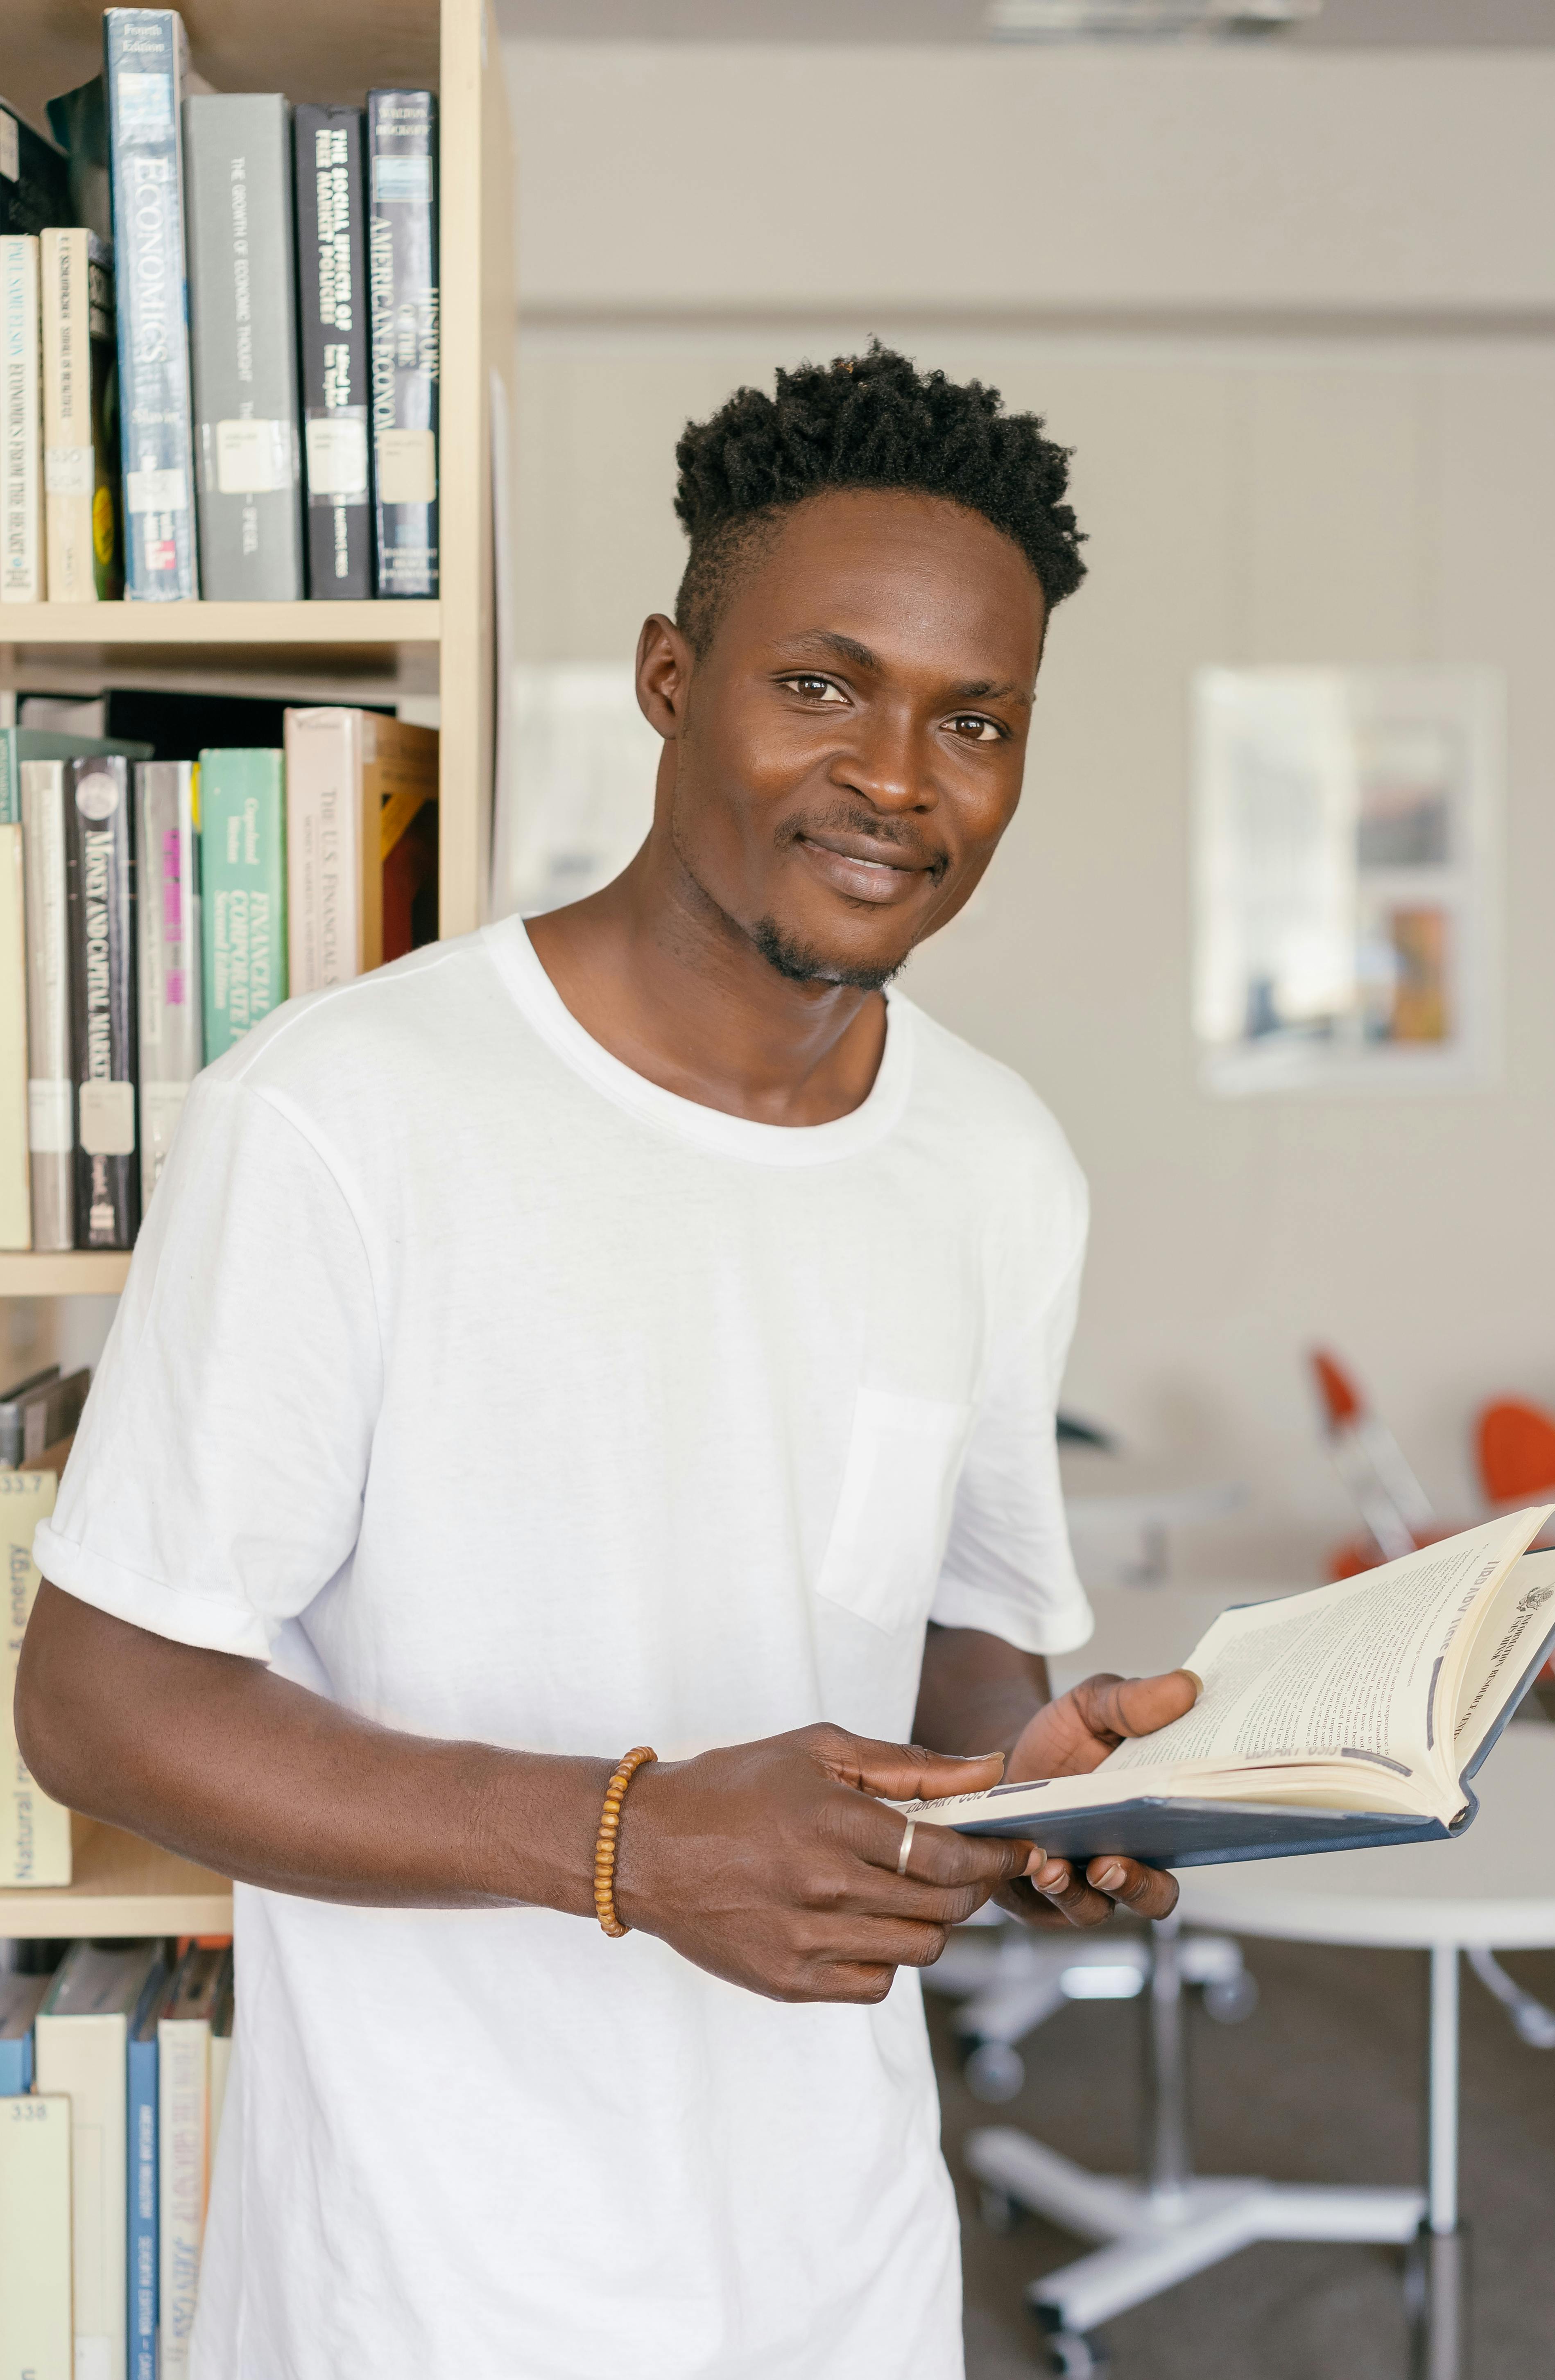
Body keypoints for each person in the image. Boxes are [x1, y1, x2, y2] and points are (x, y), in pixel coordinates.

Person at [18, 345, 1195, 2380]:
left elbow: (957, 1639)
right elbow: (106, 1705)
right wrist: (628, 1838)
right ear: (672, 677)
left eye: (973, 718)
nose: (899, 777)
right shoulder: (346, 1115)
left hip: (845, 2271)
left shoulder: (999, 1158)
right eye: (820, 683)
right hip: (433, 2292)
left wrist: (1051, 1791)